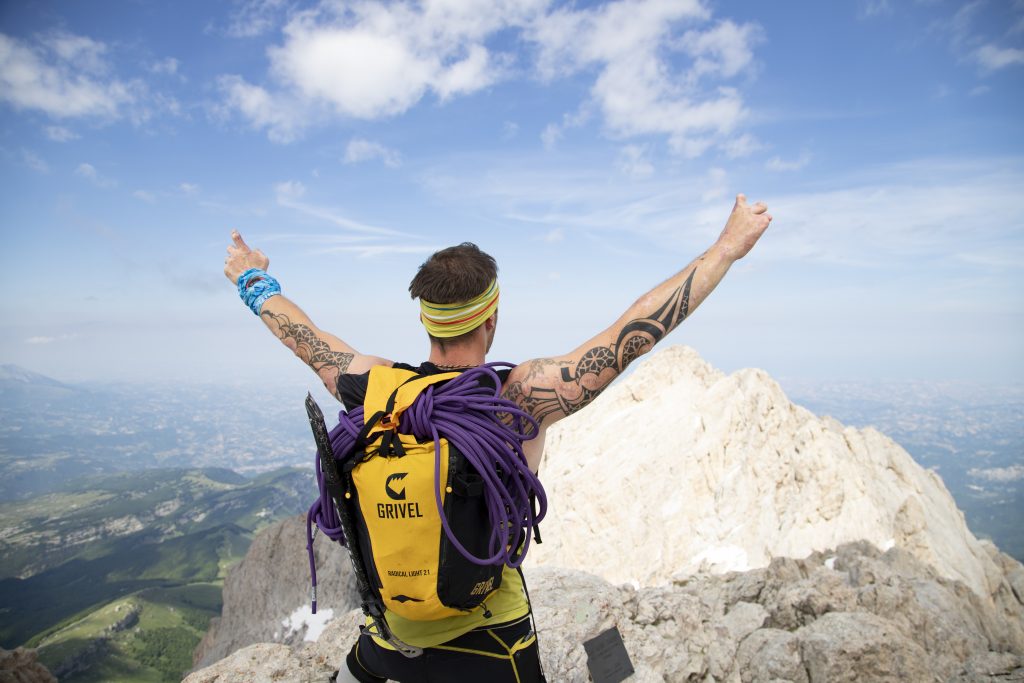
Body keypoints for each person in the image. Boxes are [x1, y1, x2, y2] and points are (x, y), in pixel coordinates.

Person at [223, 193, 772, 683]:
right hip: (490, 644)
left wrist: (252, 277)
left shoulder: (375, 390)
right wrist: (725, 249)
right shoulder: (516, 399)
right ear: (491, 318)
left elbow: (301, 335)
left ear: (427, 321)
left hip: (391, 638)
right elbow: (632, 335)